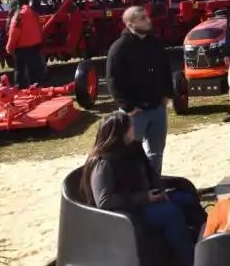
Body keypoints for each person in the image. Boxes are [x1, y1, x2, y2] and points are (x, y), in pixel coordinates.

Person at [81, 111, 206, 266]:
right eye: (130, 126)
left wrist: (160, 191)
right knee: (171, 214)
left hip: (149, 199)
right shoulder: (103, 163)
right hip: (128, 211)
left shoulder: (133, 148)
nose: (134, 127)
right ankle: (191, 261)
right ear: (120, 133)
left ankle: (209, 247)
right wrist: (145, 197)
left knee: (187, 199)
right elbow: (104, 201)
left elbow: (151, 173)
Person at [105, 6, 174, 175]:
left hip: (157, 108)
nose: (148, 20)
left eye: (147, 17)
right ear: (130, 24)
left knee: (156, 152)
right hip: (134, 113)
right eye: (142, 18)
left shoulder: (155, 42)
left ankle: (155, 184)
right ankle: (135, 189)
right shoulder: (119, 48)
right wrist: (128, 107)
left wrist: (167, 95)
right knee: (130, 154)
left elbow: (165, 69)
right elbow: (113, 80)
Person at [5, 0, 46, 88]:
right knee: (35, 70)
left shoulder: (17, 17)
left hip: (22, 49)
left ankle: (20, 88)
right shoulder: (33, 13)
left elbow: (13, 35)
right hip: (36, 46)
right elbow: (40, 26)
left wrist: (9, 49)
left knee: (19, 70)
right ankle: (37, 87)